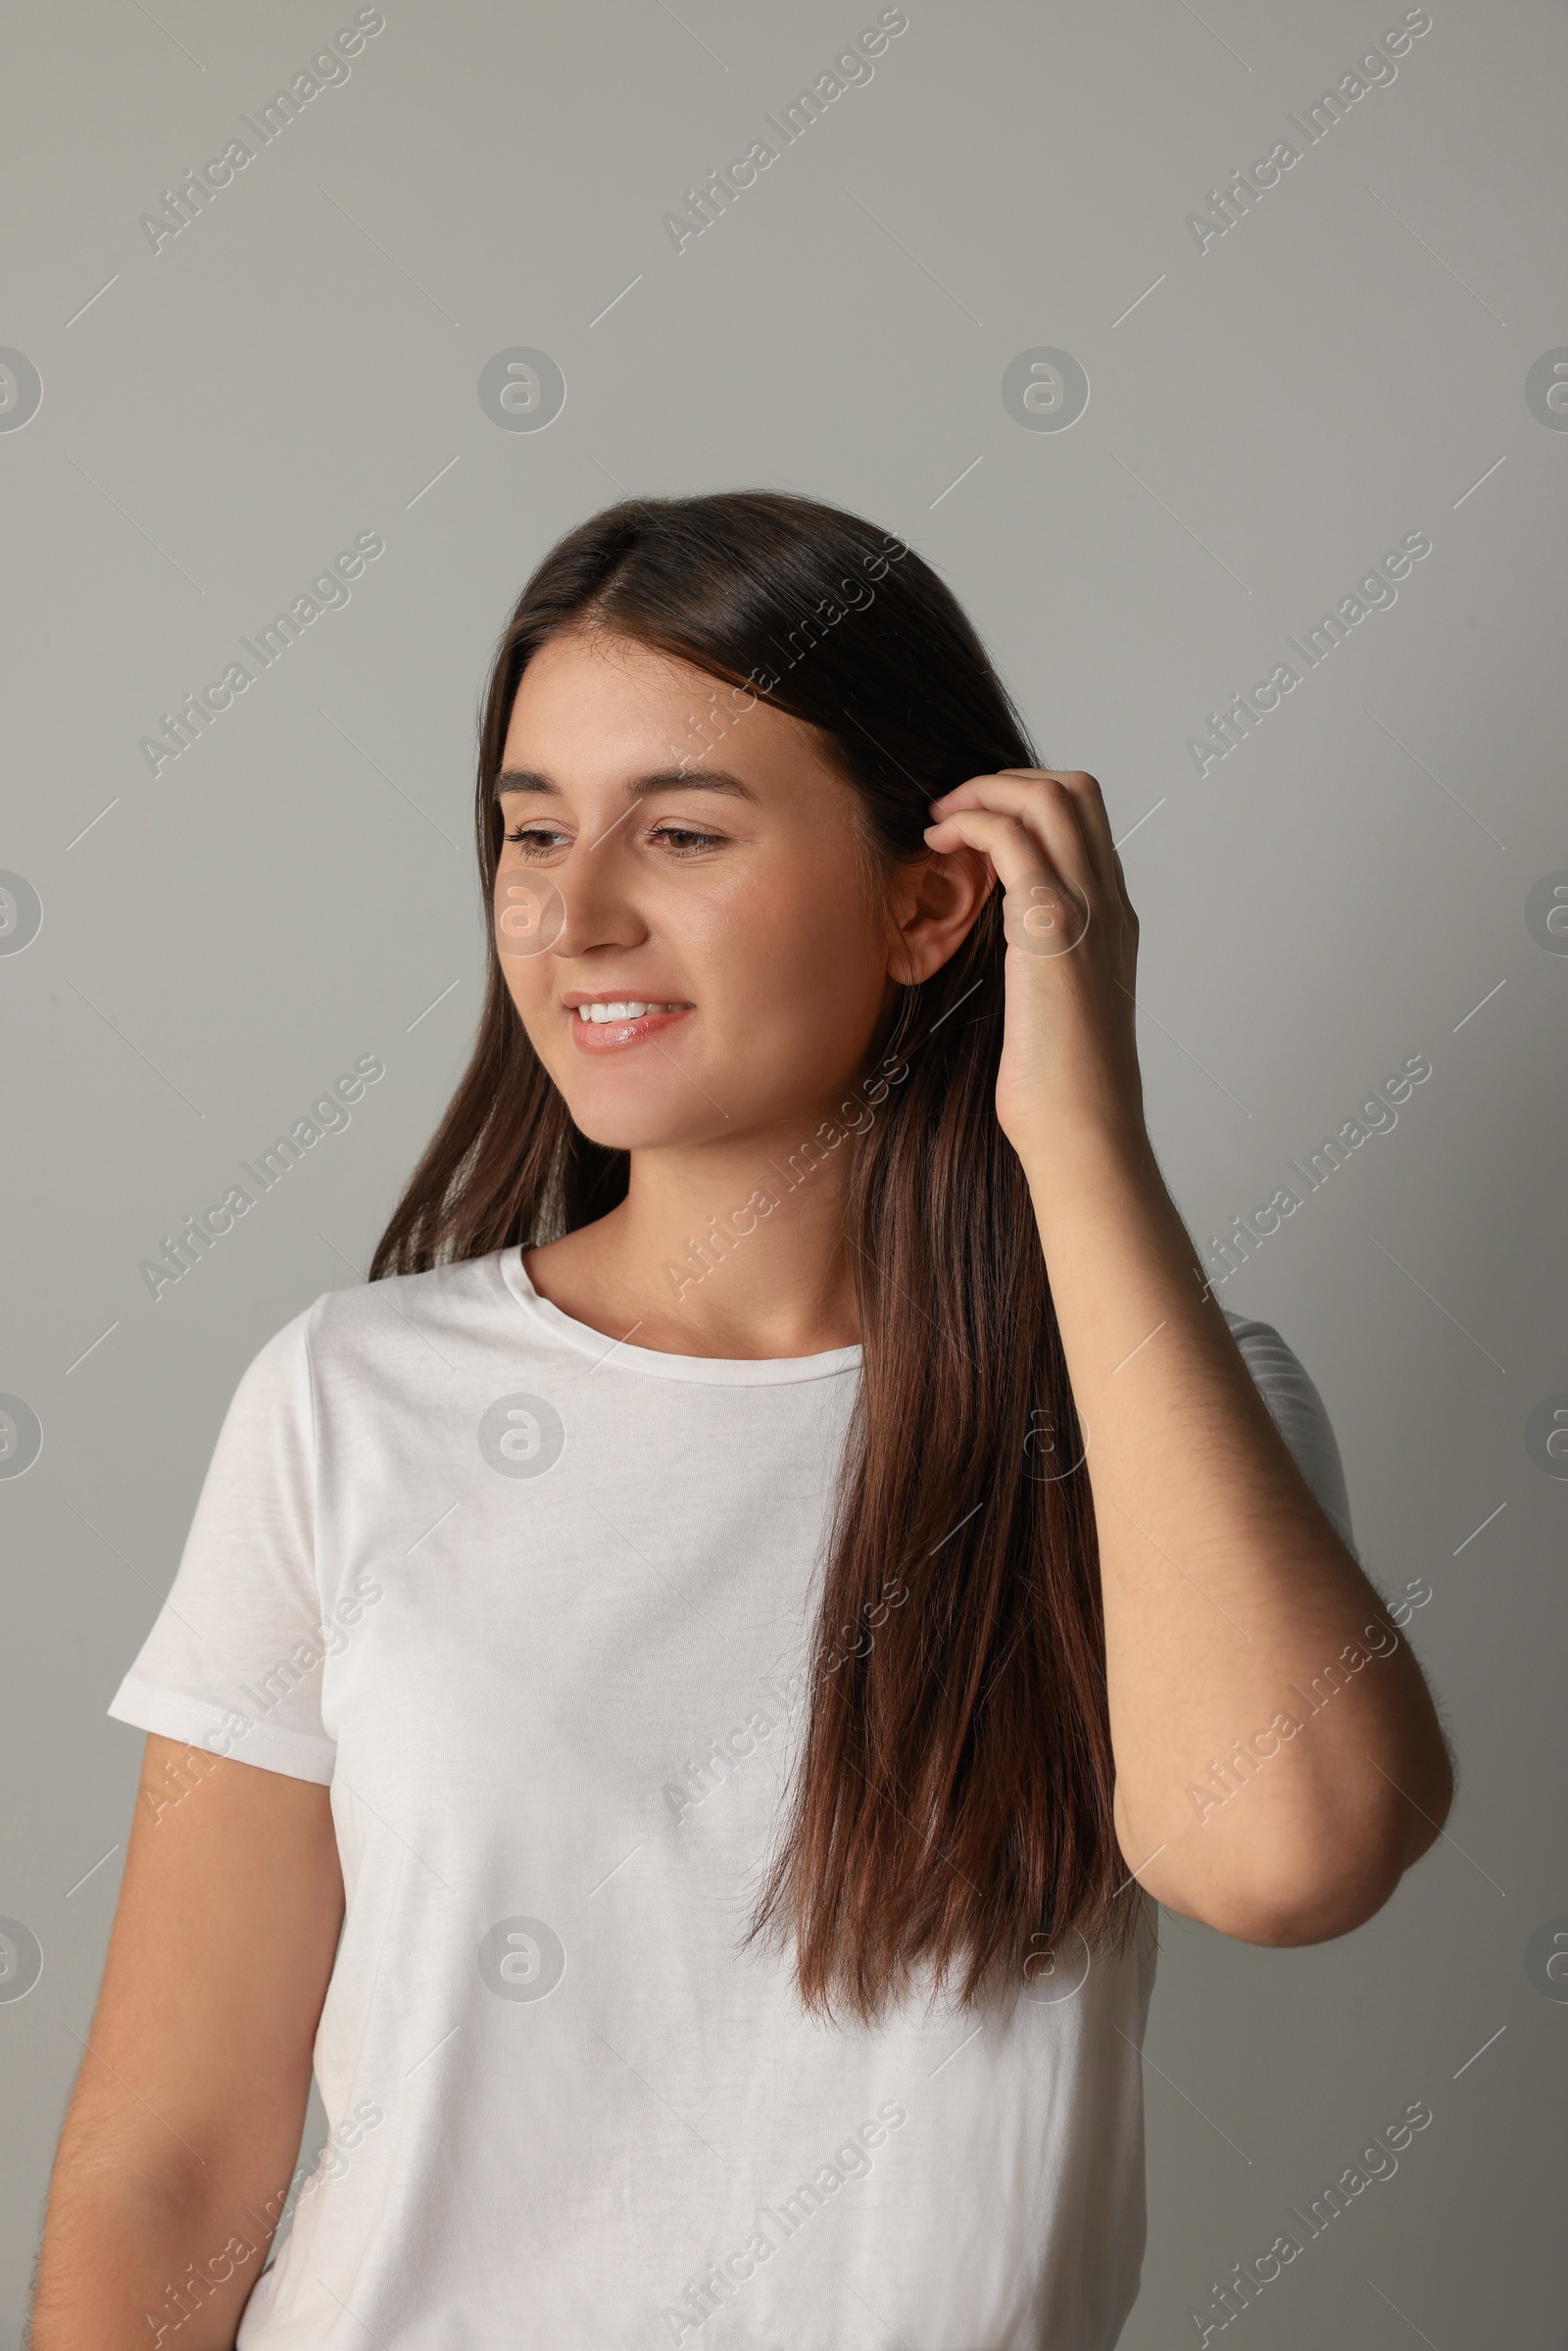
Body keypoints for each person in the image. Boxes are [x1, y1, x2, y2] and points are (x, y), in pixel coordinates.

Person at [31, 490, 1452, 2349]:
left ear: (934, 901)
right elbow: (174, 2163)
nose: (576, 912)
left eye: (680, 832)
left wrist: (1079, 1129)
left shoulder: (1164, 1415)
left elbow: (1291, 1855)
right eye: (532, 831)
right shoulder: (350, 1403)